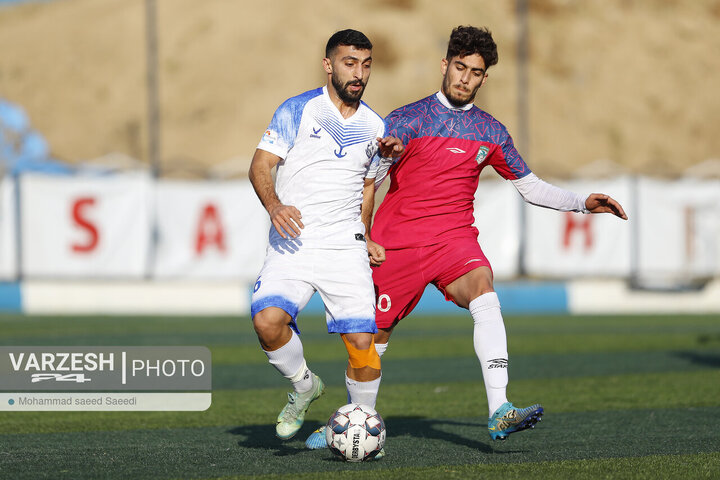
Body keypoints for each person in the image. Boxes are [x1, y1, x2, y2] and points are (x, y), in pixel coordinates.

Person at [307, 25, 627, 449]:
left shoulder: (490, 131)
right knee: (370, 341)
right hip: (395, 245)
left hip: (453, 241)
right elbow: (371, 181)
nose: (465, 78)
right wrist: (361, 233)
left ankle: (500, 409)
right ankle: (353, 419)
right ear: (445, 65)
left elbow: (530, 186)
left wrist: (582, 202)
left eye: (475, 72)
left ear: (484, 78)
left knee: (483, 287)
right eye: (459, 67)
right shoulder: (409, 119)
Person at [248, 29, 401, 448]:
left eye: (366, 64)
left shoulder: (375, 126)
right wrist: (275, 205)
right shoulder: (297, 109)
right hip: (293, 240)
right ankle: (303, 387)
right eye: (350, 63)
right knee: (267, 322)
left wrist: (365, 234)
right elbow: (261, 166)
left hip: (343, 247)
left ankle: (359, 427)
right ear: (329, 64)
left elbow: (368, 187)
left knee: (362, 344)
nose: (359, 73)